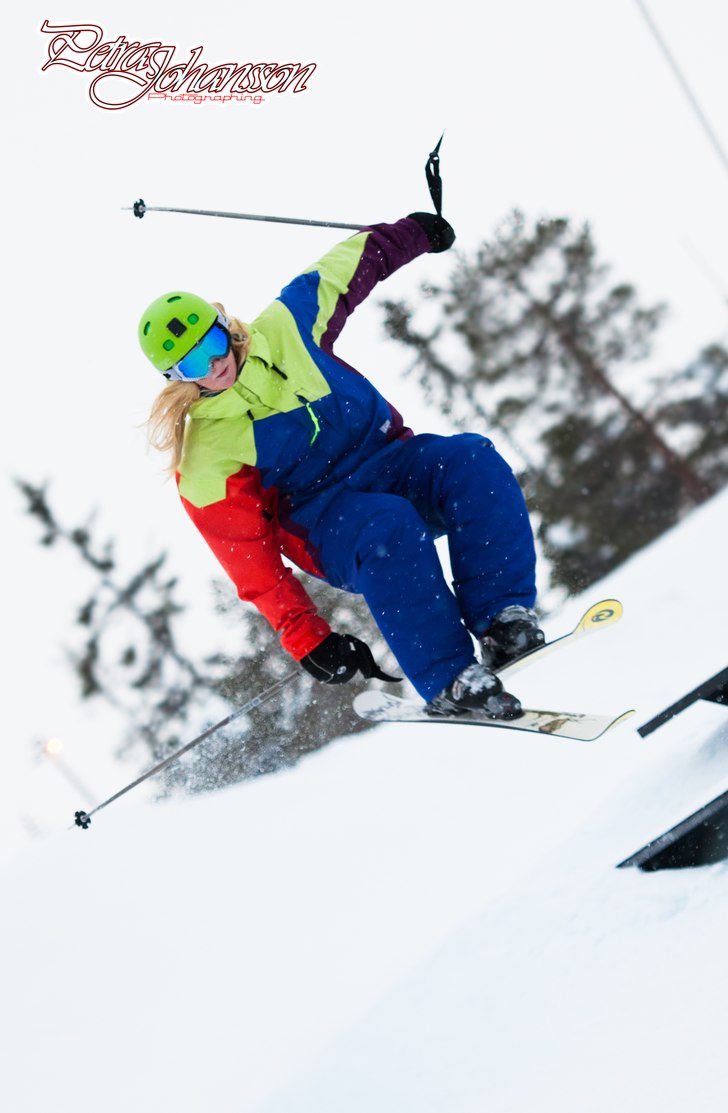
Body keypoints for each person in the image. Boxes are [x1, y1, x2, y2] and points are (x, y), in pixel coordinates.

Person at [138, 212, 544, 719]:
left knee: (470, 458)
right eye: (194, 366)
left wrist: (417, 233)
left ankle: (501, 619)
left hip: (392, 460)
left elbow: (348, 265)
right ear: (177, 379)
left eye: (213, 345)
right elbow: (248, 559)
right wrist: (306, 637)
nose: (214, 365)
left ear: (226, 327)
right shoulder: (206, 455)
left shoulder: (287, 326)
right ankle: (449, 679)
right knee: (387, 528)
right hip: (326, 518)